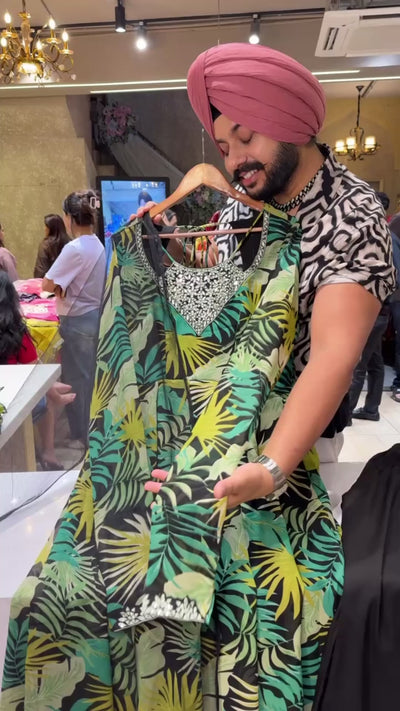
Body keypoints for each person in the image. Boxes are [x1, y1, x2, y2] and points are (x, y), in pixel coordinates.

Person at [0, 46, 395, 711]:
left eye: (247, 137)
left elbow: (331, 357)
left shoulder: (349, 218)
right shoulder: (251, 194)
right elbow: (192, 318)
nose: (236, 158)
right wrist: (195, 189)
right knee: (65, 597)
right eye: (224, 143)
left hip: (291, 440)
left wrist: (269, 468)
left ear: (291, 122)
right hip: (189, 435)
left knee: (254, 603)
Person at [42, 189, 106, 447]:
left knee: (77, 381)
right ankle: (88, 432)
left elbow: (47, 284)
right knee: (88, 378)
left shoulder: (75, 248)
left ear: (69, 218)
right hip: (92, 317)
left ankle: (82, 436)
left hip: (77, 321)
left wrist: (59, 288)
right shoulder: (97, 243)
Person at [0, 270, 75, 469]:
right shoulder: (16, 331)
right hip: (11, 400)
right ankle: (48, 453)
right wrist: (50, 387)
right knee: (44, 396)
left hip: (6, 396)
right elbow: (33, 370)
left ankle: (52, 388)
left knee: (43, 386)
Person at [348, 192, 392, 421]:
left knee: (358, 364)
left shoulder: (378, 237)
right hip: (380, 310)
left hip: (371, 311)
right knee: (375, 362)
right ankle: (371, 409)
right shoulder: (384, 235)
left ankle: (346, 415)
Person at [33, 213, 70, 278]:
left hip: (49, 282)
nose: (44, 229)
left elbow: (40, 270)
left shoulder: (46, 245)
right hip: (68, 282)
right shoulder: (70, 243)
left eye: (46, 227)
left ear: (51, 229)